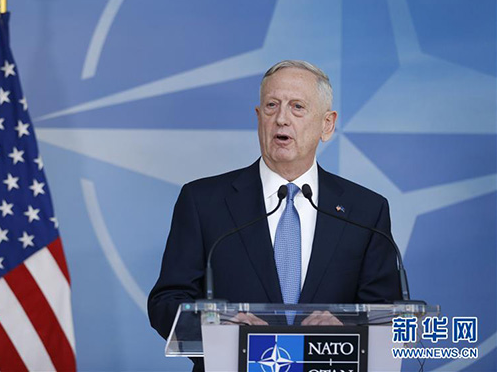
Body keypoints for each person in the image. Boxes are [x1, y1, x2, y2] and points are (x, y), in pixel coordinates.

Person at [148, 60, 401, 369]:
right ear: (259, 118)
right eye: (271, 106)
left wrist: (346, 329)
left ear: (327, 125)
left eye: (297, 107)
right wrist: (219, 330)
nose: (281, 119)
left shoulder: (365, 211)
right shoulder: (203, 201)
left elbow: (387, 314)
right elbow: (167, 301)